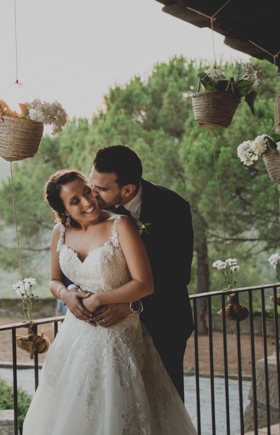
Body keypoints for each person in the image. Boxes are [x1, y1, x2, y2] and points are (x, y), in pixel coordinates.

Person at [21, 170, 196, 434]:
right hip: (76, 335)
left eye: (86, 191)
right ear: (63, 210)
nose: (87, 202)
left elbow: (144, 284)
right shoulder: (60, 232)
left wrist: (102, 298)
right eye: (74, 201)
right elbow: (54, 281)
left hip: (119, 335)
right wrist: (67, 295)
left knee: (121, 410)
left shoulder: (121, 225)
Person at [79, 145, 195, 399]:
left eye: (102, 189)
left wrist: (132, 306)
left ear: (128, 189)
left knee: (166, 402)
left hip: (165, 323)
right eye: (91, 183)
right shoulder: (95, 212)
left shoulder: (173, 207)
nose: (92, 193)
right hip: (115, 331)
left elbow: (177, 276)